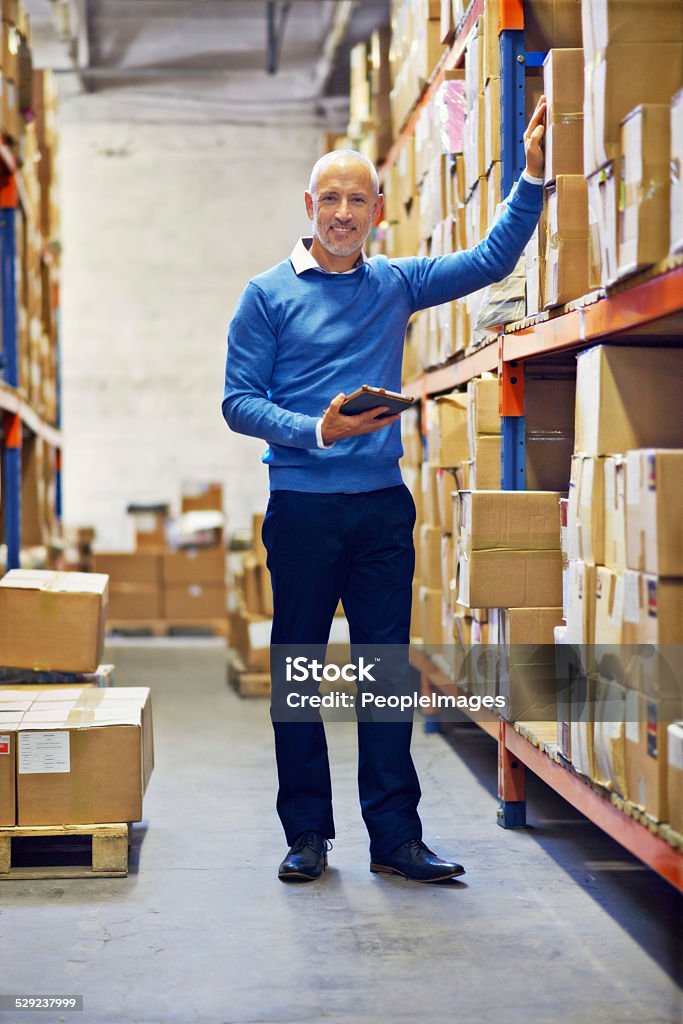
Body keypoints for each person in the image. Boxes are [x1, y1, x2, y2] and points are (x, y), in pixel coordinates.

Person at [223, 96, 547, 884]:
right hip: (302, 506)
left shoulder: (395, 282)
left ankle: (394, 839)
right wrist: (316, 430)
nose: (341, 213)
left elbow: (489, 262)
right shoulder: (266, 295)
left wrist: (533, 174)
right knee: (300, 672)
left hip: (378, 510)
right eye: (328, 199)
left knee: (382, 672)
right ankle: (306, 835)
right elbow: (237, 401)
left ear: (374, 211)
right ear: (308, 207)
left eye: (355, 200)